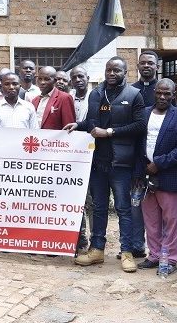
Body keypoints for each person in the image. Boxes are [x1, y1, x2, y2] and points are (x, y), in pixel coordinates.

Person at [65, 56, 146, 273]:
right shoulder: (96, 94)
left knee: (123, 209)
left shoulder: (134, 95)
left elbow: (140, 126)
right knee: (99, 207)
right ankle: (97, 249)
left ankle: (127, 252)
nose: (112, 73)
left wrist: (109, 132)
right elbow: (93, 123)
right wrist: (79, 125)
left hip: (121, 163)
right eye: (109, 70)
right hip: (97, 162)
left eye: (116, 70)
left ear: (125, 72)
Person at [134, 79, 177, 275]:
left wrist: (159, 163)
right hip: (146, 176)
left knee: (172, 221)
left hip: (169, 176)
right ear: (154, 93)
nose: (162, 97)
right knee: (151, 220)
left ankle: (170, 259)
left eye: (167, 94)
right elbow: (137, 144)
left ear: (174, 95)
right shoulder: (143, 113)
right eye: (159, 93)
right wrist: (140, 171)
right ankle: (155, 255)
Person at [128, 50, 160, 261]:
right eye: (143, 63)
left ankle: (158, 249)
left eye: (150, 63)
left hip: (158, 160)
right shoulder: (130, 91)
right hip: (136, 156)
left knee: (158, 206)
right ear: (138, 66)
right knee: (136, 204)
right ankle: (137, 245)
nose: (146, 66)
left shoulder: (164, 90)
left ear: (157, 66)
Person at [69, 65, 93, 254]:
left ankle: (96, 239)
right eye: (74, 77)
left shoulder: (96, 96)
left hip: (92, 154)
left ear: (88, 78)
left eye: (81, 76)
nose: (78, 80)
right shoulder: (67, 98)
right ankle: (79, 237)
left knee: (92, 199)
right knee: (75, 198)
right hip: (70, 155)